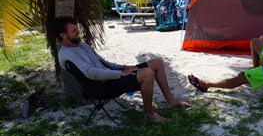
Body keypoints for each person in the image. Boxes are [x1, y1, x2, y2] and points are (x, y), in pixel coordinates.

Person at [52, 16, 190, 122]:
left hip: (110, 77)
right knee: (147, 73)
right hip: (101, 87)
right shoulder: (66, 54)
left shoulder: (81, 45)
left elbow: (103, 63)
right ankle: (150, 114)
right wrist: (120, 74)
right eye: (74, 31)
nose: (78, 33)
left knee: (157, 63)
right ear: (63, 35)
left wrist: (124, 67)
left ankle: (170, 101)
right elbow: (91, 73)